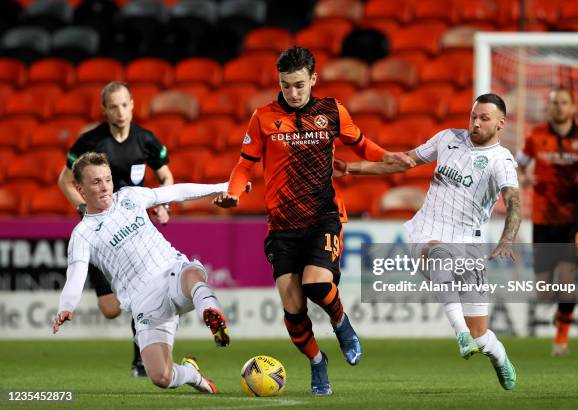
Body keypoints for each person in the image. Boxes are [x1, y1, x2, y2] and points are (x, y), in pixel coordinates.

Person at [213, 45, 413, 395]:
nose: (292, 92)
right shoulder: (262, 117)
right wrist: (234, 192)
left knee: (317, 285)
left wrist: (390, 158)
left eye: (299, 85)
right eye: (286, 85)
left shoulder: (332, 111)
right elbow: (245, 163)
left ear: (313, 79)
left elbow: (363, 146)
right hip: (282, 225)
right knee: (293, 309)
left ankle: (340, 322)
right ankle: (318, 362)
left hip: (324, 216)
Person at [335, 93, 521, 390]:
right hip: (426, 232)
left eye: (484, 118)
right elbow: (403, 162)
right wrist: (351, 169)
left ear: (501, 123)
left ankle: (498, 356)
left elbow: (513, 202)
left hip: (468, 244)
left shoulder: (501, 161)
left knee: (481, 336)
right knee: (438, 254)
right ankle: (459, 333)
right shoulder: (448, 138)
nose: (475, 123)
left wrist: (507, 239)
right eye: (473, 116)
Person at [53, 152, 242, 393]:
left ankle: (210, 311)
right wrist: (66, 307)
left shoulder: (130, 196)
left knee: (192, 274)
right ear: (80, 188)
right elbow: (76, 274)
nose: (105, 187)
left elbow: (175, 192)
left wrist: (222, 186)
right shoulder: (82, 233)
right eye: (96, 182)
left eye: (107, 179)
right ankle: (191, 373)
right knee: (161, 377)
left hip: (170, 272)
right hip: (144, 301)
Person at [58, 81, 174, 377]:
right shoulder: (90, 142)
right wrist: (84, 210)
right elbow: (64, 180)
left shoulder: (146, 140)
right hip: (101, 238)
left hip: (133, 231)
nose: (120, 112)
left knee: (143, 290)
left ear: (133, 104)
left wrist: (163, 206)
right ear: (104, 110)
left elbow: (166, 177)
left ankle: (142, 359)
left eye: (124, 105)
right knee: (110, 309)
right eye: (113, 106)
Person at [516, 88, 578, 356]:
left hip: (573, 217)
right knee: (544, 292)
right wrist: (524, 177)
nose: (558, 107)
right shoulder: (536, 136)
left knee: (568, 276)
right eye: (554, 102)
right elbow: (519, 164)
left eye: (563, 103)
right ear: (549, 108)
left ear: (573, 108)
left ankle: (561, 339)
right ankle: (560, 309)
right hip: (543, 219)